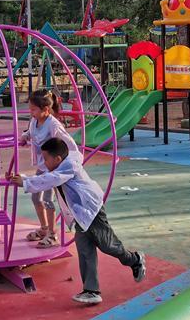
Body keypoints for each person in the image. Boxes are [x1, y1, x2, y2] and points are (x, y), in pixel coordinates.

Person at [9, 137, 145, 305]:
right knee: (85, 250)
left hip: (92, 211)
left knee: (108, 245)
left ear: (57, 159)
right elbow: (48, 177)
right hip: (81, 215)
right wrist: (23, 179)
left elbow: (52, 179)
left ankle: (134, 260)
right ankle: (91, 291)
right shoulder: (60, 166)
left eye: (46, 159)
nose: (43, 162)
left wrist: (26, 182)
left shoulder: (69, 167)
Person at [19, 89, 78, 248]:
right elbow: (32, 131)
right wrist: (25, 135)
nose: (30, 112)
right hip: (42, 166)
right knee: (35, 198)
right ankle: (44, 228)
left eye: (33, 109)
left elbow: (67, 142)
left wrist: (69, 161)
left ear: (45, 109)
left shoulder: (53, 125)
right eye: (30, 109)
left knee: (47, 200)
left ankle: (52, 234)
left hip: (52, 169)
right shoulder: (35, 120)